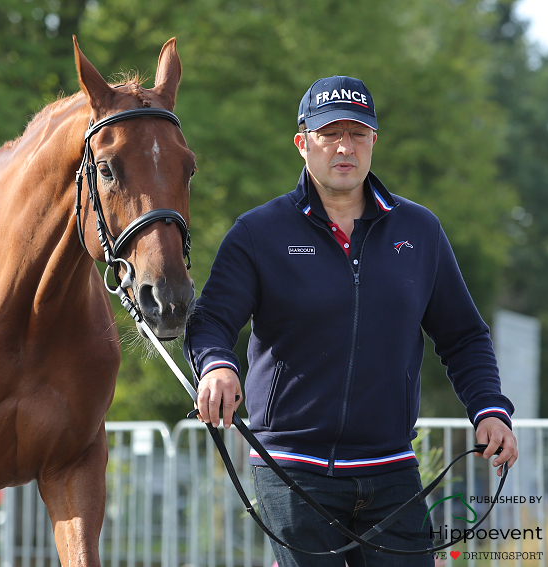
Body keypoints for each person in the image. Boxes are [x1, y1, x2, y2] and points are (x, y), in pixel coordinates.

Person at [183, 75, 519, 567]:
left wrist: (490, 408)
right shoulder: (258, 232)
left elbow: (464, 336)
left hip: (391, 468)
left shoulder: (420, 230)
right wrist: (216, 365)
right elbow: (210, 319)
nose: (344, 147)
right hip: (292, 469)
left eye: (357, 133)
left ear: (373, 142)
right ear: (303, 144)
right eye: (329, 134)